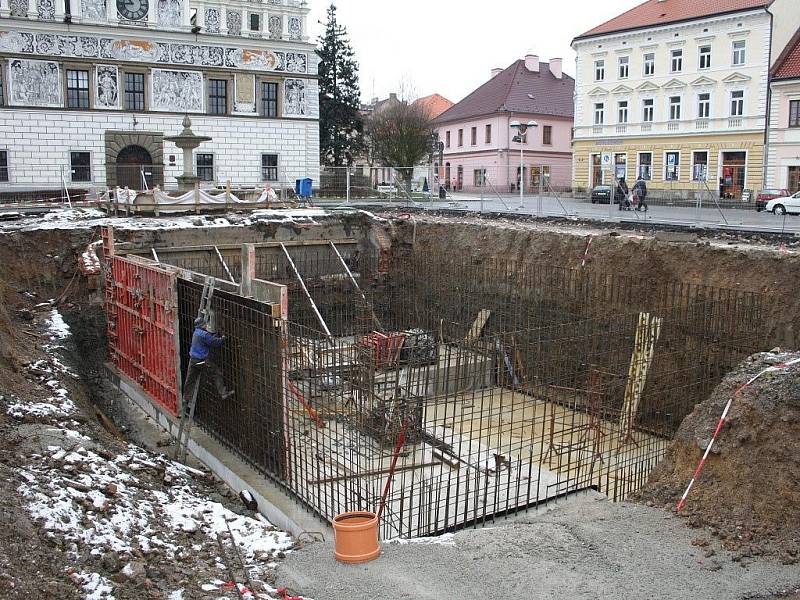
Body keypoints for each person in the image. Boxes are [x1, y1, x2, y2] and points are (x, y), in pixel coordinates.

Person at [182, 317, 233, 409]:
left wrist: (214, 334)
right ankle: (223, 393)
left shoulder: (196, 332)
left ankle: (186, 398)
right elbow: (215, 343)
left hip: (193, 361)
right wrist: (223, 338)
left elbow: (208, 337)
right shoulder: (204, 335)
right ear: (203, 325)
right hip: (202, 361)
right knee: (216, 373)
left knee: (190, 380)